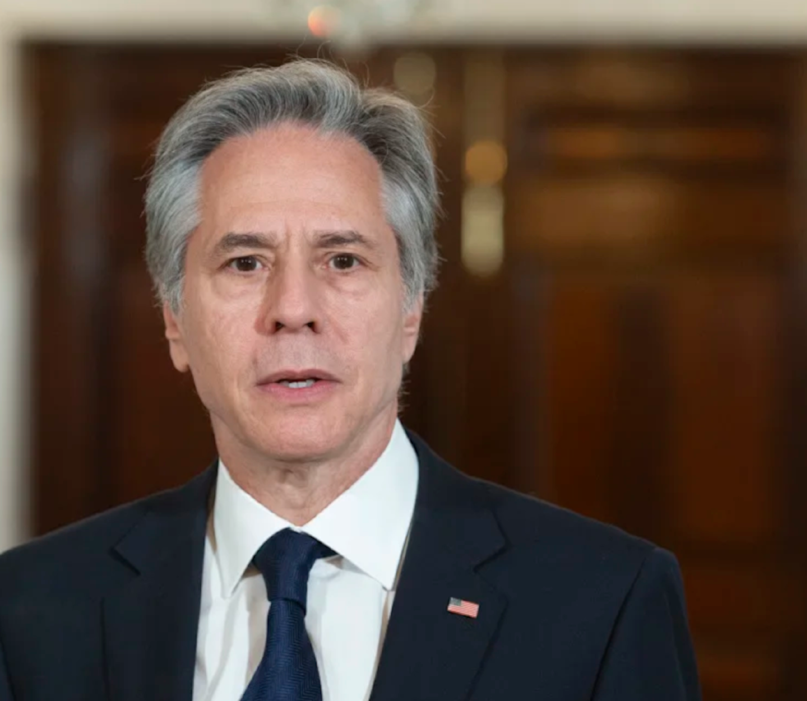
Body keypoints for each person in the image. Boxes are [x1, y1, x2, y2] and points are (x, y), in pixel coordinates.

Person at [0, 59, 700, 701]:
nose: (294, 310)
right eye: (245, 262)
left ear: (411, 310)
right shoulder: (30, 606)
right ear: (175, 322)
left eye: (342, 260)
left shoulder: (604, 600)